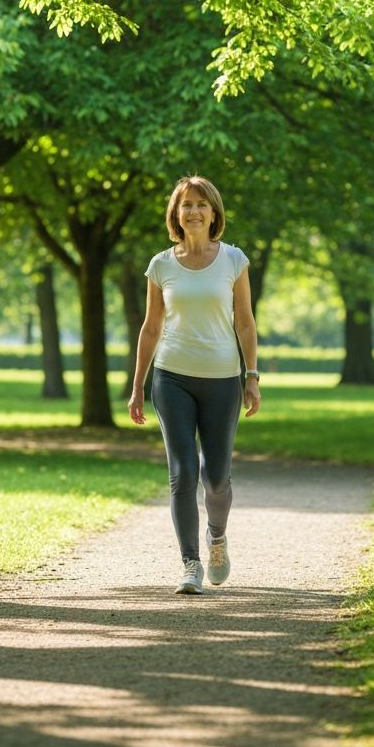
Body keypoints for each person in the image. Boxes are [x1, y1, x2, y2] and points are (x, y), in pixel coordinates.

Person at [128, 175, 261, 595]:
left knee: (216, 477)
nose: (194, 211)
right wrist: (137, 387)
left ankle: (216, 538)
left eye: (202, 204)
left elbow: (244, 321)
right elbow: (151, 328)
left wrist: (251, 376)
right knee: (183, 473)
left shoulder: (234, 260)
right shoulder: (161, 265)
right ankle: (190, 563)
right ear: (176, 214)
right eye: (186, 204)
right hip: (172, 378)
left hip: (223, 380)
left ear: (214, 212)